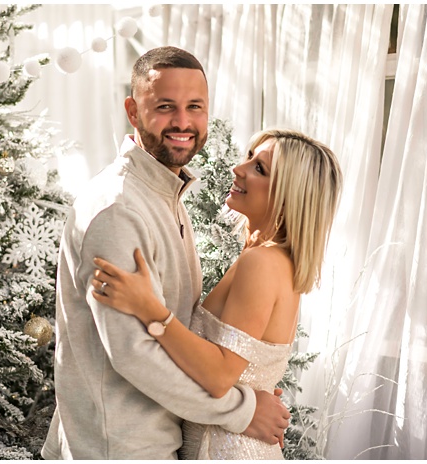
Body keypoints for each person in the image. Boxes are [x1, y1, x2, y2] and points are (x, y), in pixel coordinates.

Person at [41, 46, 290, 460]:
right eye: (165, 107)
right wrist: (243, 409)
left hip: (153, 440)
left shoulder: (165, 195)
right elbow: (132, 353)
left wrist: (248, 385)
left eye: (195, 106)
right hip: (118, 447)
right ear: (133, 111)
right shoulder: (118, 209)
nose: (182, 122)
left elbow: (182, 332)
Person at [90, 129, 343, 459]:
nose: (240, 168)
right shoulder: (268, 257)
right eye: (250, 157)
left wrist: (149, 308)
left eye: (260, 168)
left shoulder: (263, 263)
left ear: (288, 196)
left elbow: (220, 375)